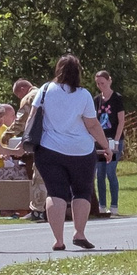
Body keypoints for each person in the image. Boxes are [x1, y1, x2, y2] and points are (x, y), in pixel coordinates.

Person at [26, 53, 114, 251]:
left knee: (55, 192)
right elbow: (92, 125)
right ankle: (79, 233)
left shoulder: (46, 89)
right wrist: (106, 146)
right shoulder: (83, 95)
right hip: (81, 151)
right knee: (82, 191)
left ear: (58, 70)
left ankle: (58, 240)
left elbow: (32, 116)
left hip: (49, 149)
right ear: (78, 73)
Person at [92, 68, 125, 217]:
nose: (101, 86)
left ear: (109, 81)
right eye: (98, 84)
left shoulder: (117, 98)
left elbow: (121, 121)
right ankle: (102, 206)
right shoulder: (96, 100)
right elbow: (93, 121)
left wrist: (117, 141)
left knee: (111, 172)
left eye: (103, 83)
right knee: (100, 174)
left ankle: (114, 206)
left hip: (114, 139)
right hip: (100, 140)